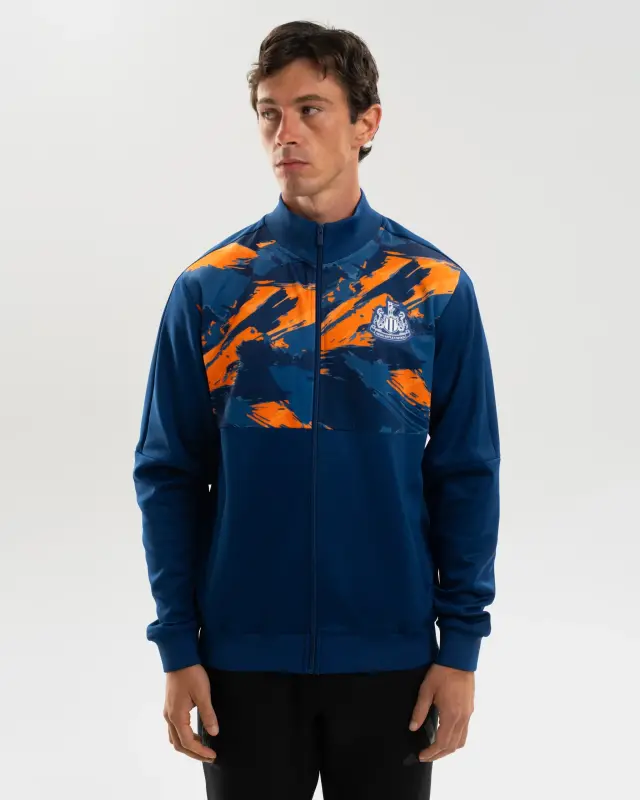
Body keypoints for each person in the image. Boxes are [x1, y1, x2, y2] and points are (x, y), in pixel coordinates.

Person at [132, 19, 501, 800]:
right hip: (240, 664)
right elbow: (169, 476)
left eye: (311, 109)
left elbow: (466, 474)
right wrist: (177, 647)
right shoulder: (209, 291)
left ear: (368, 123)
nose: (285, 133)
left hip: (394, 662)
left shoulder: (434, 289)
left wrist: (461, 648)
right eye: (269, 113)